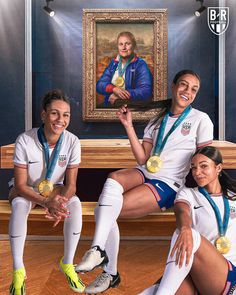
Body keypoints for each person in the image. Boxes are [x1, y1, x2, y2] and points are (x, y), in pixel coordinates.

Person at [75, 69, 214, 294]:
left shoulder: (200, 120)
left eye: (193, 89)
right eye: (184, 85)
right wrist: (128, 126)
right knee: (113, 179)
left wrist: (201, 196)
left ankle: (109, 270)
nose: (187, 91)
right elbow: (143, 158)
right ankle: (99, 252)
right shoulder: (157, 119)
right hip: (146, 171)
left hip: (168, 183)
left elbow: (205, 159)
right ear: (174, 86)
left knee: (108, 209)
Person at [8, 89, 85, 295]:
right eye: (54, 113)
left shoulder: (72, 141)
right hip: (26, 190)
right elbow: (21, 185)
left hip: (55, 190)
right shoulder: (25, 139)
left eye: (66, 114)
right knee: (19, 205)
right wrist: (46, 203)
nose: (60, 119)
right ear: (43, 115)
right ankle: (18, 270)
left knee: (75, 204)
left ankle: (68, 263)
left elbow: (71, 186)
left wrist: (59, 204)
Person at [140, 146, 236, 295]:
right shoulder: (188, 193)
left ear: (218, 168)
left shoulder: (234, 197)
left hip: (228, 277)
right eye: (193, 168)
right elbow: (181, 211)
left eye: (204, 166)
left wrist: (186, 230)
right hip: (198, 275)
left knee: (189, 234)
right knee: (154, 291)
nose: (197, 172)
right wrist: (185, 228)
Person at [96, 31, 153, 107]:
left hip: (131, 108)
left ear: (133, 46)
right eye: (121, 44)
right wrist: (114, 89)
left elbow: (146, 91)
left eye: (127, 44)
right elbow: (99, 85)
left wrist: (121, 96)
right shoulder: (114, 64)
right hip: (110, 107)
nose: (124, 48)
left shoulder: (140, 64)